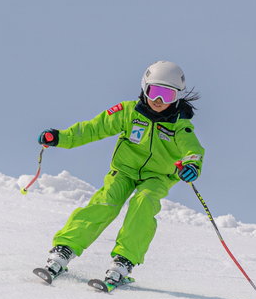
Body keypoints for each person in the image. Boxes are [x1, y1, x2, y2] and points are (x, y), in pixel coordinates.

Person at [34, 60, 205, 287]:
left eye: (168, 95)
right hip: (124, 171)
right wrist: (61, 137)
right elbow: (93, 128)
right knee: (106, 201)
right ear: (144, 88)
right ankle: (64, 250)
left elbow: (193, 150)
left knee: (144, 202)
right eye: (154, 92)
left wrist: (192, 165)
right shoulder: (127, 112)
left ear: (177, 97)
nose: (159, 101)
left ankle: (124, 261)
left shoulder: (179, 126)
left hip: (157, 177)